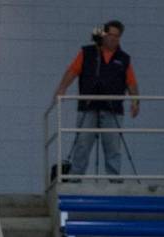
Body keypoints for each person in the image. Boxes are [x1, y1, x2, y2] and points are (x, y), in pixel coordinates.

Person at [53, 20, 140, 178]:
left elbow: (131, 82)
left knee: (113, 148)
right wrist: (62, 88)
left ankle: (113, 182)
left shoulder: (123, 58)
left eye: (117, 36)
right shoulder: (87, 53)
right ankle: (75, 181)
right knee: (82, 145)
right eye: (110, 35)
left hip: (112, 109)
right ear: (104, 35)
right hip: (88, 107)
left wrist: (135, 101)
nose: (113, 39)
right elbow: (72, 71)